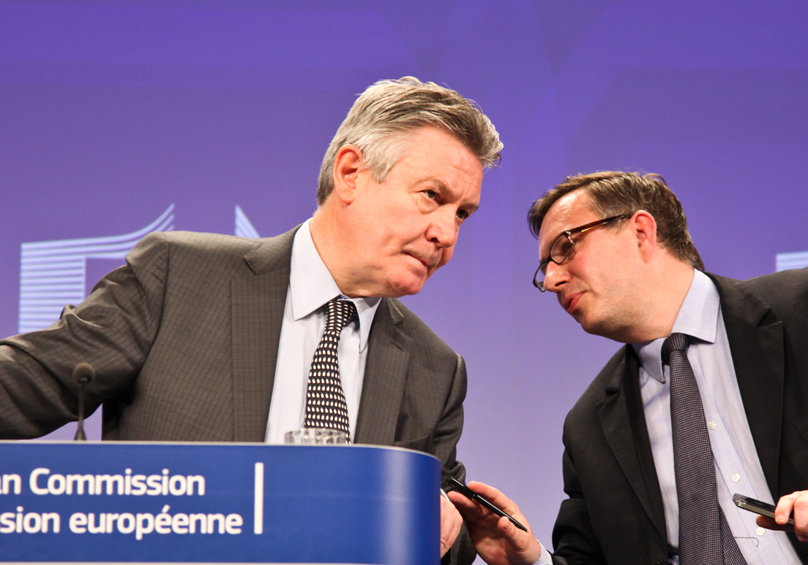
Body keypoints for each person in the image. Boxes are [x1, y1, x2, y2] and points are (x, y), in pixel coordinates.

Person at [0, 77, 503, 562]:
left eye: (462, 214)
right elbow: (21, 387)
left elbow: (447, 534)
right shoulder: (180, 277)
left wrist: (440, 527)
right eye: (433, 196)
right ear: (351, 173)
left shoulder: (435, 370)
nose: (446, 233)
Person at [451, 171, 808, 565]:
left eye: (565, 247)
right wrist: (531, 559)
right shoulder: (589, 426)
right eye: (546, 269)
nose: (554, 279)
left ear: (641, 233)